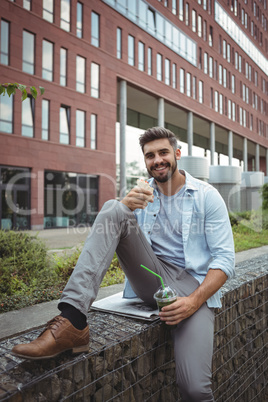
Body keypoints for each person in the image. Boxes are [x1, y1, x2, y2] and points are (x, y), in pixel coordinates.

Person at [12, 127, 235, 401]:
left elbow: (225, 260)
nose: (157, 160)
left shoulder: (206, 196)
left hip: (194, 288)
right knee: (112, 207)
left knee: (194, 389)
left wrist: (193, 301)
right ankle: (72, 319)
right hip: (153, 279)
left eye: (163, 152)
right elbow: (117, 235)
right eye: (150, 155)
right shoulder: (142, 195)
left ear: (177, 154)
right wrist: (125, 208)